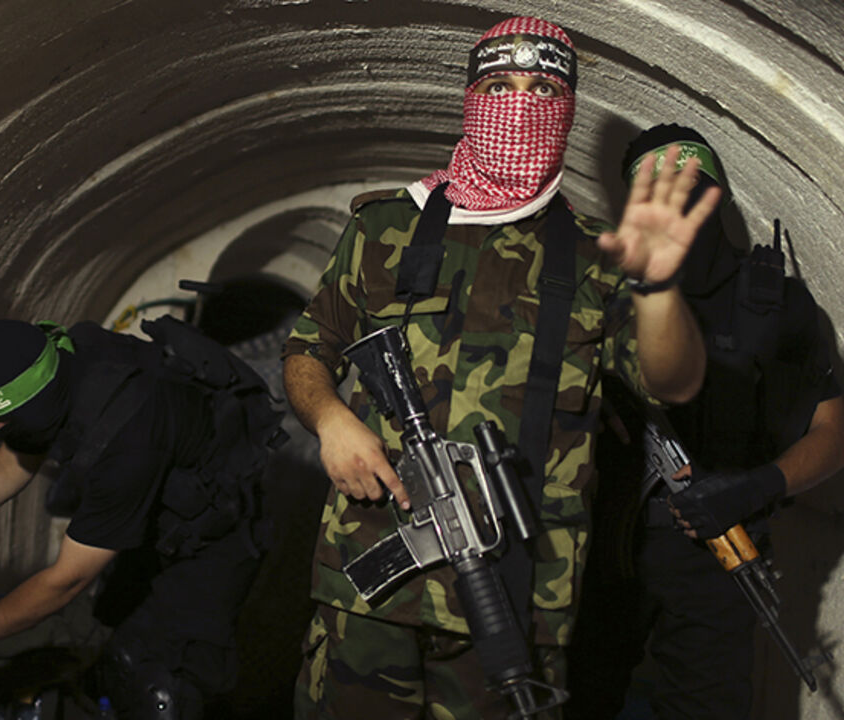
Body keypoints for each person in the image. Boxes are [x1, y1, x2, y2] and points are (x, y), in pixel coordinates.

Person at [281, 16, 720, 719]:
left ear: (568, 110)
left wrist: (658, 287)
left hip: (517, 595)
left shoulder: (596, 260)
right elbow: (309, 347)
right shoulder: (385, 227)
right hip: (370, 579)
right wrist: (331, 420)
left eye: (543, 88)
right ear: (470, 99)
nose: (519, 105)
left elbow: (674, 382)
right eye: (498, 86)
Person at [0, 315, 285, 720]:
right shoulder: (65, 360)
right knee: (116, 645)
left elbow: (66, 581)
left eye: (3, 418)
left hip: (213, 542)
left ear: (35, 404)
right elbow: (12, 463)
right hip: (158, 516)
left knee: (163, 686)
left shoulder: (125, 443)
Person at [564, 124, 844, 719]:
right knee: (573, 697)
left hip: (720, 547)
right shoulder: (602, 291)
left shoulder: (776, 303)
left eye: (693, 191)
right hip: (602, 543)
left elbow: (834, 430)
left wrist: (758, 485)